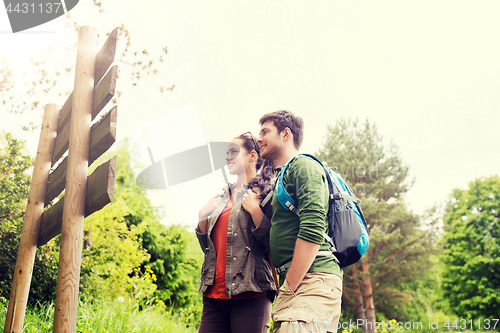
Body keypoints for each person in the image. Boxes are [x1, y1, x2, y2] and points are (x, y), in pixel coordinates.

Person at [256, 110, 343, 333]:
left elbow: (313, 228)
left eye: (265, 131)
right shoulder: (282, 176)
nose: (259, 138)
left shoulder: (303, 166)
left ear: (286, 134)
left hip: (312, 282)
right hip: (301, 285)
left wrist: (288, 288)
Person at [195, 132, 276, 333]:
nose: (228, 157)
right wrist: (202, 217)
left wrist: (257, 213)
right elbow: (209, 249)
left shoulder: (266, 193)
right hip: (214, 296)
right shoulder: (221, 196)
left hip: (252, 294)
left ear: (252, 156)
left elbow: (274, 244)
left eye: (234, 151)